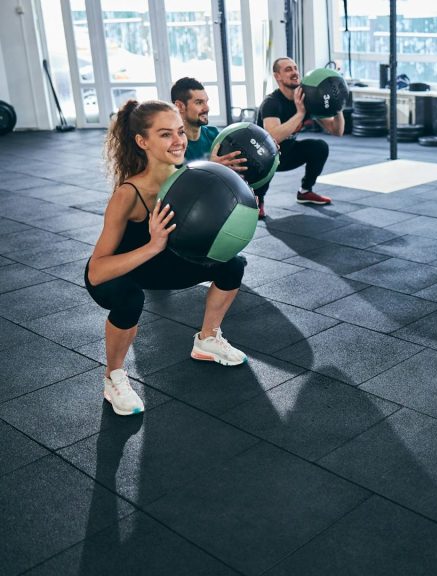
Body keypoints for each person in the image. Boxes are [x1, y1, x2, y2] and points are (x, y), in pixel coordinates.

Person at [85, 99, 248, 416]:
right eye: (165, 134)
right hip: (122, 272)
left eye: (179, 131)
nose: (178, 141)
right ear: (142, 141)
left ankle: (207, 339)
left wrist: (237, 208)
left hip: (163, 264)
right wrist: (151, 245)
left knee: (233, 265)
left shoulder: (189, 177)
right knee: (129, 299)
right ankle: (114, 377)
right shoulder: (128, 195)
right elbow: (96, 272)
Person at [255, 57, 345, 217]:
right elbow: (273, 136)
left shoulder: (308, 98)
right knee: (266, 156)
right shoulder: (272, 103)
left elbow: (336, 131)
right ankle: (257, 199)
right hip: (263, 156)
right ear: (277, 76)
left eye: (295, 68)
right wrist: (300, 113)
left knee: (319, 147)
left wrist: (337, 107)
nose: (295, 72)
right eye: (288, 69)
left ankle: (305, 191)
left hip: (288, 154)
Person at [171, 77, 247, 174]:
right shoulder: (172, 144)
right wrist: (210, 167)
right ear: (179, 106)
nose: (207, 108)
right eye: (199, 102)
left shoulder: (215, 135)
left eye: (206, 102)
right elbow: (173, 184)